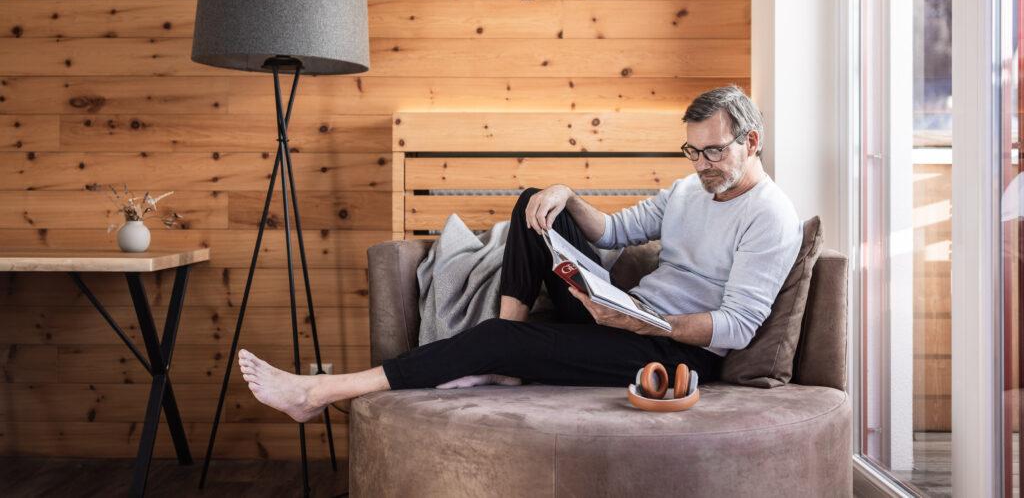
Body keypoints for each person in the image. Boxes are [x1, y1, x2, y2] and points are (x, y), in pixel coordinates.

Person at [238, 85, 804, 423]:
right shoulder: (689, 189)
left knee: (495, 338)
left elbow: (736, 327)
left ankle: (318, 392)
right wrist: (568, 195)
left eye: (712, 151)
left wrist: (645, 322)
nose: (701, 164)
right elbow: (611, 232)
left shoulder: (770, 216)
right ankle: (509, 360)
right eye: (692, 151)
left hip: (672, 350)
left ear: (751, 142)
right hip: (627, 314)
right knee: (534, 203)